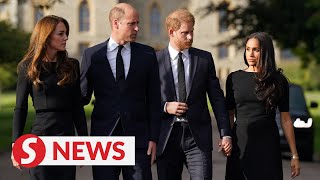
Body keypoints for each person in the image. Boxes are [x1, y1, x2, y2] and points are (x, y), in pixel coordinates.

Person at [80, 3, 160, 180]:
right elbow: (81, 97)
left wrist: (154, 137)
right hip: (104, 141)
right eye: (132, 24)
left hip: (139, 141)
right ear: (116, 23)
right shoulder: (92, 55)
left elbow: (154, 100)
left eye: (137, 23)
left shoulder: (147, 54)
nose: (137, 28)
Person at [156, 9, 232, 180]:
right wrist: (165, 107)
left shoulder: (204, 59)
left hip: (197, 139)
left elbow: (217, 99)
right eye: (185, 33)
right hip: (167, 138)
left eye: (192, 32)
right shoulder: (154, 61)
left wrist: (225, 133)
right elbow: (145, 99)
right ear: (171, 32)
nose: (190, 37)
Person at [11, 15, 88, 180]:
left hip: (66, 139)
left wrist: (83, 142)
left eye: (66, 33)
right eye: (61, 34)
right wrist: (16, 143)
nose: (66, 37)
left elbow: (77, 106)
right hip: (40, 137)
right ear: (46, 36)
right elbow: (20, 107)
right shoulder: (28, 66)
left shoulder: (72, 65)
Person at [225, 32, 300, 180]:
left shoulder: (278, 80)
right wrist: (226, 137)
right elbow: (230, 113)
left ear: (265, 52)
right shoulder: (234, 78)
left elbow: (285, 119)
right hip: (240, 144)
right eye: (247, 49)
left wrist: (294, 155)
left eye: (256, 50)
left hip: (267, 145)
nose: (250, 54)